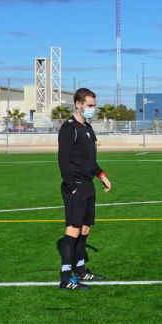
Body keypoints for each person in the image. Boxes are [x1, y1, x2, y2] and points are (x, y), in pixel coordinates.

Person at [57, 88, 111, 291]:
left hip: (88, 185)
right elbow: (63, 160)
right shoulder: (69, 128)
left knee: (86, 228)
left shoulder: (88, 127)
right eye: (90, 105)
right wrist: (71, 186)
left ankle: (81, 271)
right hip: (75, 187)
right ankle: (65, 279)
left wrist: (101, 175)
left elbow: (90, 161)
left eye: (94, 105)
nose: (93, 109)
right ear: (78, 104)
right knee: (73, 229)